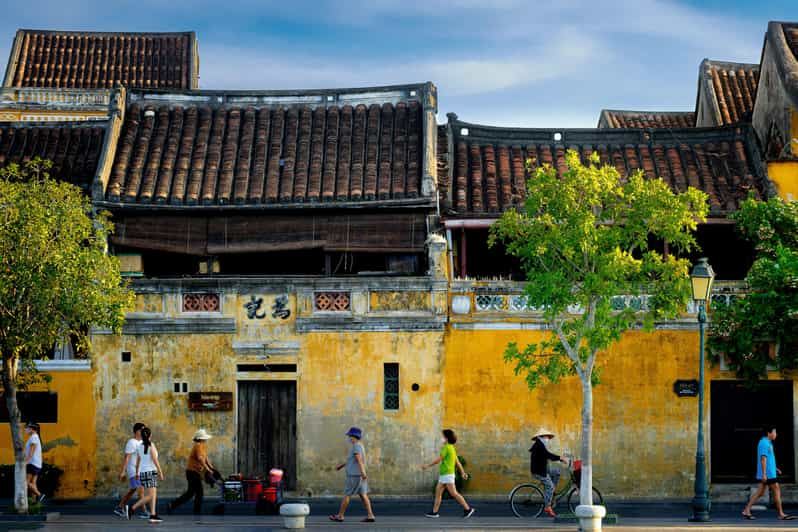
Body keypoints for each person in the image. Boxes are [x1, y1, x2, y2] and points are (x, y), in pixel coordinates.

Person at [742, 427, 796, 520]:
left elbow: (768, 459)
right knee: (776, 489)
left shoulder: (768, 443)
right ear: (769, 433)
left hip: (770, 472)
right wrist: (764, 474)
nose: (776, 434)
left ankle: (746, 510)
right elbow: (763, 459)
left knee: (760, 492)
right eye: (775, 432)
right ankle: (781, 514)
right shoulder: (764, 442)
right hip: (768, 474)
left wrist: (775, 468)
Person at [422, 429, 475, 519]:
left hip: (447, 474)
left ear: (446, 438)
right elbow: (457, 462)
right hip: (445, 474)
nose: (441, 438)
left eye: (442, 437)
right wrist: (463, 473)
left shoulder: (446, 448)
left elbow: (439, 459)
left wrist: (427, 466)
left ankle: (468, 509)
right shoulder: (451, 448)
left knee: (454, 493)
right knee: (438, 492)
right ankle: (434, 512)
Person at [329, 427, 376, 523]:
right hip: (359, 475)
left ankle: (340, 515)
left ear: (354, 437)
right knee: (363, 495)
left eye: (350, 436)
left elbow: (359, 461)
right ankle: (370, 515)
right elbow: (353, 460)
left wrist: (363, 472)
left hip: (354, 475)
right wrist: (342, 466)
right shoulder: (359, 446)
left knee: (347, 494)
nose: (349, 438)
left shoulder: (356, 446)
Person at [167, 429, 215, 515]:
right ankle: (196, 512)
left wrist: (211, 468)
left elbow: (205, 458)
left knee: (191, 493)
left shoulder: (202, 446)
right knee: (199, 493)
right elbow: (200, 459)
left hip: (195, 473)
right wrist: (208, 469)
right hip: (192, 472)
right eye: (205, 438)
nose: (206, 440)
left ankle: (172, 505)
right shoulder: (198, 446)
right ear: (201, 439)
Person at [127, 427, 165, 523]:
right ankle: (132, 508)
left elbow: (138, 460)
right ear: (150, 435)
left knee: (153, 494)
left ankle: (153, 515)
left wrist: (137, 473)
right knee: (151, 496)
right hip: (150, 472)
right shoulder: (151, 445)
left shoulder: (140, 446)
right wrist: (160, 472)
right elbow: (155, 460)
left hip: (143, 472)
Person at [530, 428, 567, 517]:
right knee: (549, 486)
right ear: (541, 437)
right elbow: (548, 455)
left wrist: (560, 459)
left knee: (557, 472)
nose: (547, 439)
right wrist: (560, 458)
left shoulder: (540, 445)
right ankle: (547, 506)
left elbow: (547, 455)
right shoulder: (539, 445)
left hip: (543, 469)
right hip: (539, 471)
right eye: (546, 437)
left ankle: (551, 493)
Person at [114, 422, 146, 519]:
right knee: (140, 490)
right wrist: (123, 471)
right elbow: (127, 458)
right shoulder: (131, 442)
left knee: (133, 490)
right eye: (142, 430)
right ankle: (145, 512)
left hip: (140, 470)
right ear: (137, 431)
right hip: (133, 470)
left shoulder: (142, 442)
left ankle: (120, 507)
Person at [24, 422, 44, 503]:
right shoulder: (35, 437)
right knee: (33, 483)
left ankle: (40, 495)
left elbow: (31, 452)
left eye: (27, 428)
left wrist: (26, 462)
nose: (26, 429)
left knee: (26, 482)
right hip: (36, 463)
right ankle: (34, 502)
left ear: (32, 429)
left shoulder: (33, 437)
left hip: (32, 463)